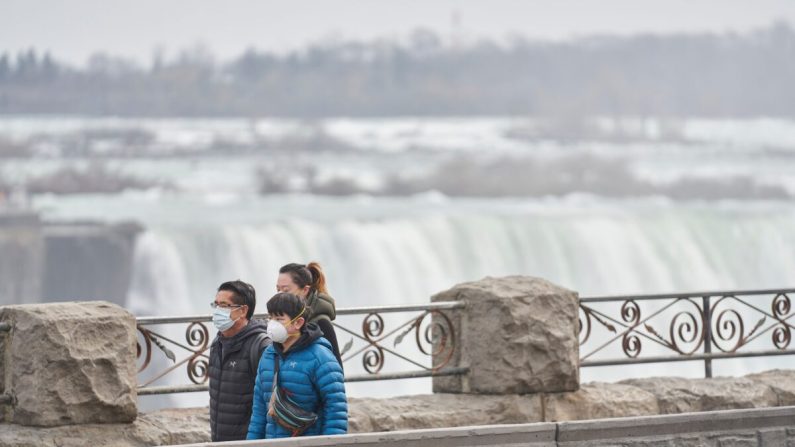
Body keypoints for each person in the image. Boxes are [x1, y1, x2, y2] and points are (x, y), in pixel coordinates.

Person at [247, 292, 348, 439]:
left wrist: (331, 443)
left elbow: (336, 408)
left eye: (279, 319)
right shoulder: (268, 355)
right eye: (271, 317)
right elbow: (259, 409)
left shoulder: (320, 357)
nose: (272, 323)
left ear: (298, 323)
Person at [208, 280, 272, 442]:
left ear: (243, 310)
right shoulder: (217, 344)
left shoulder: (260, 347)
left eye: (224, 305)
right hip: (220, 440)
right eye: (215, 305)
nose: (217, 311)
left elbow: (270, 402)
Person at [276, 262, 342, 366]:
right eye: (278, 290)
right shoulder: (282, 321)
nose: (280, 296)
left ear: (305, 290)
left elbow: (336, 370)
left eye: (286, 290)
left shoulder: (321, 323)